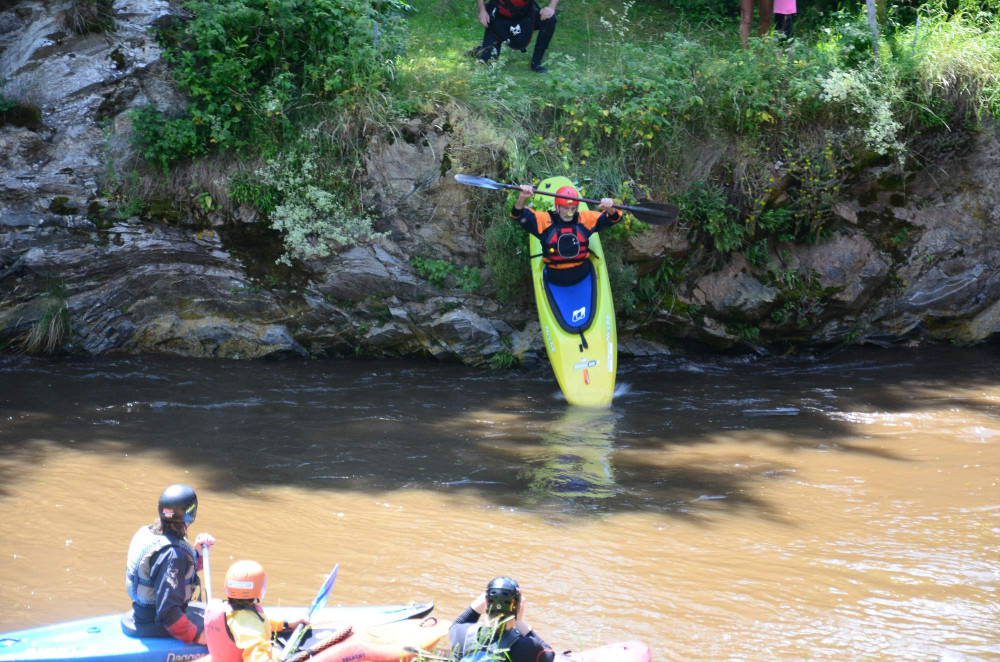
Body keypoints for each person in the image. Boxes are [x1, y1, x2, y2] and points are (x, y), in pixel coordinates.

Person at [123, 483, 215, 644]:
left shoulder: (150, 533)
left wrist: (197, 555)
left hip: (142, 614)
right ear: (191, 514)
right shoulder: (172, 554)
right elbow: (168, 612)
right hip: (160, 622)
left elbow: (168, 572)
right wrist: (199, 637)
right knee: (224, 631)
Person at [511, 183, 622, 286]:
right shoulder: (544, 221)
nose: (569, 212)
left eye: (573, 208)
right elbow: (518, 214)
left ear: (577, 208)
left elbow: (614, 218)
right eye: (565, 208)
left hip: (582, 274)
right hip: (555, 278)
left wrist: (610, 209)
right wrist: (522, 198)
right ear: (557, 207)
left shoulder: (585, 219)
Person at [204, 560, 310, 662]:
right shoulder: (248, 624)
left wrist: (286, 624)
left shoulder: (227, 612)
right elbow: (256, 655)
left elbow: (256, 624)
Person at [449, 577, 554, 662]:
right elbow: (549, 654)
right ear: (518, 608)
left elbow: (457, 624)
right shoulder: (528, 647)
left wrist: (487, 597)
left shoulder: (462, 633)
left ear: (486, 603)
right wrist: (519, 622)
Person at [472, 0, 559, 73]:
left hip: (525, 14)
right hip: (498, 18)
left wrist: (551, 7)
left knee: (550, 19)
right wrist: (482, 10)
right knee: (487, 62)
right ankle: (478, 51)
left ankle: (536, 63)